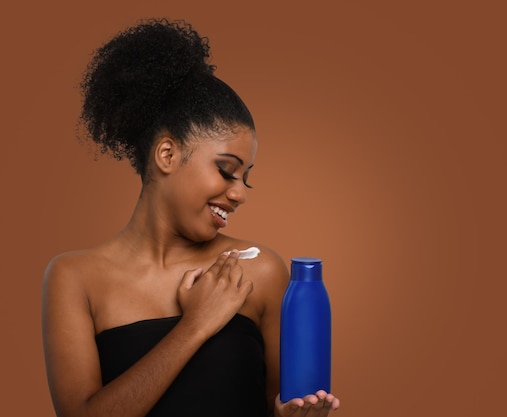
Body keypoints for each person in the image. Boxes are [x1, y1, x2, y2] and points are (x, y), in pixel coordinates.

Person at [41, 18, 340, 417]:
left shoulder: (260, 273)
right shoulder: (74, 278)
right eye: (226, 170)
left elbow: (277, 406)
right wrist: (195, 324)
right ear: (167, 155)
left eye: (245, 179)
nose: (238, 194)